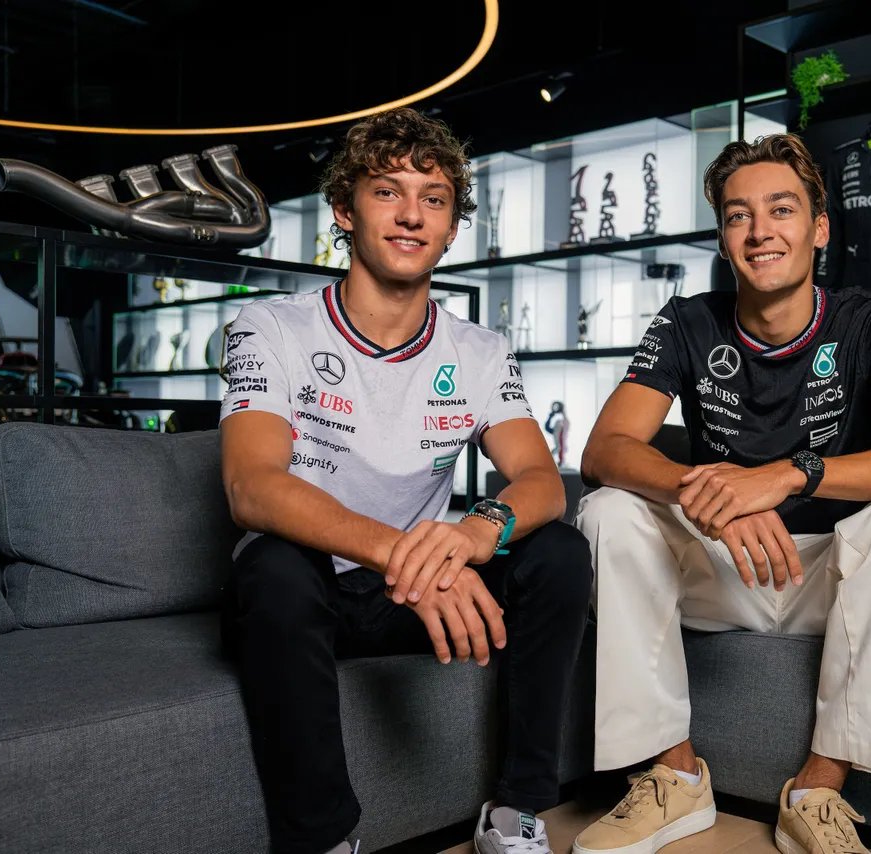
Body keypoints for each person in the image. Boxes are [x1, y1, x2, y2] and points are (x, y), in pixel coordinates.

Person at [572, 133, 871, 854]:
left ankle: (816, 794)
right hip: (724, 568)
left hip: (833, 574)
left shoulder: (870, 317)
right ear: (724, 238)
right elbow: (605, 451)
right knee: (605, 510)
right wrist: (710, 497)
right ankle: (675, 778)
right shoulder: (687, 319)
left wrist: (790, 474)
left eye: (780, 210)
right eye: (738, 216)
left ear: (819, 228)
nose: (760, 232)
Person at [218, 107, 592, 854]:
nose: (412, 215)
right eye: (387, 191)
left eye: (435, 198)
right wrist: (409, 553)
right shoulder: (269, 329)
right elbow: (251, 487)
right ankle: (323, 840)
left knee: (559, 553)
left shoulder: (480, 350)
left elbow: (541, 481)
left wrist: (470, 534)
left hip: (409, 596)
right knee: (271, 566)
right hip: (313, 593)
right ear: (343, 211)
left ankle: (516, 814)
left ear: (453, 228)